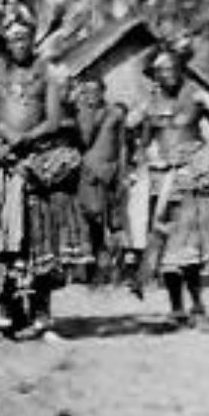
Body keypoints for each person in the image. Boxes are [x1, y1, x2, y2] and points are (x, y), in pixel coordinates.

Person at [0, 10, 81, 340]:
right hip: (4, 162)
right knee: (2, 239)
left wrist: (26, 138)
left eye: (23, 37)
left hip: (37, 162)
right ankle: (4, 316)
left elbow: (52, 119)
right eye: (12, 38)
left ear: (32, 38)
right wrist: (1, 136)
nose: (18, 43)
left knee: (40, 238)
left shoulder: (46, 71)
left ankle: (42, 318)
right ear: (5, 41)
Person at [139, 44, 209, 328]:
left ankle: (198, 308)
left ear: (181, 70)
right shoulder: (150, 104)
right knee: (166, 249)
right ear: (154, 74)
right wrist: (150, 157)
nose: (168, 74)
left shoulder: (196, 96)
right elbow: (143, 143)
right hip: (162, 182)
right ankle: (176, 309)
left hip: (191, 180)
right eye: (161, 70)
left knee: (190, 249)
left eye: (172, 68)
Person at [72, 74, 130, 287]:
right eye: (86, 91)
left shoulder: (114, 113)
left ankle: (118, 270)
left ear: (103, 91)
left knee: (115, 224)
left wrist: (123, 174)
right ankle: (94, 270)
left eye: (95, 91)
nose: (91, 96)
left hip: (110, 173)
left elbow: (123, 145)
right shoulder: (77, 114)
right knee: (90, 222)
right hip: (87, 174)